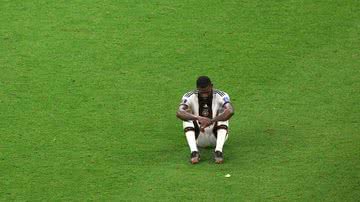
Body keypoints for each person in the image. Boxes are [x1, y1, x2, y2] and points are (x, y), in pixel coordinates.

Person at [176, 76, 234, 164]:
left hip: (216, 136)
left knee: (224, 113)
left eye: (207, 92)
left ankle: (218, 151)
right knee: (186, 116)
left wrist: (211, 121)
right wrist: (198, 118)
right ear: (197, 89)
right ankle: (194, 152)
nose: (204, 95)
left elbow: (230, 111)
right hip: (199, 137)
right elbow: (179, 112)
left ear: (212, 86)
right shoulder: (189, 96)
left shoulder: (221, 95)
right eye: (202, 92)